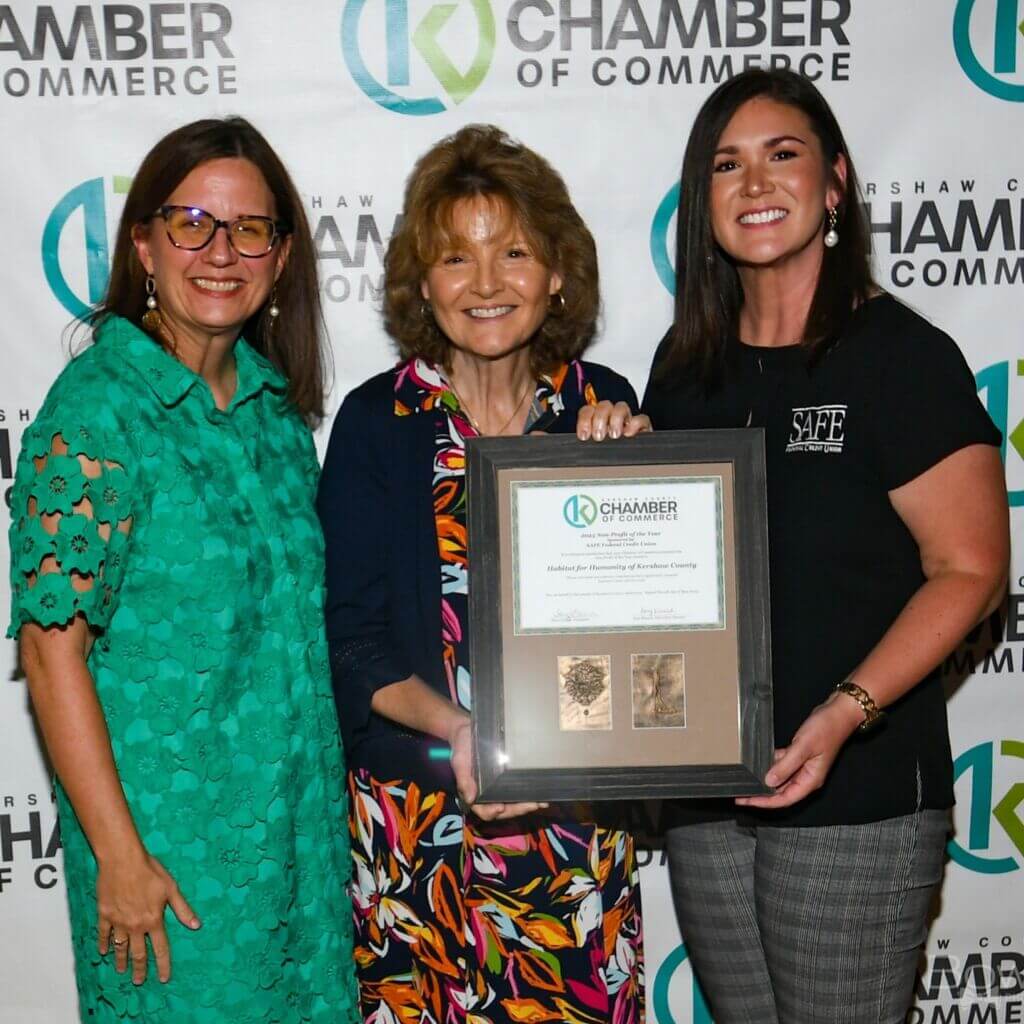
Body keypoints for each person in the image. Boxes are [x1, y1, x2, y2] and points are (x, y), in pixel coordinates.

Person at [642, 69, 1008, 1024]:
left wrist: (846, 713)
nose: (755, 183)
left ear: (836, 182)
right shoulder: (683, 372)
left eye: (783, 154)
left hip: (856, 795)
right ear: (701, 198)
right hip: (706, 798)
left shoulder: (901, 358)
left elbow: (971, 568)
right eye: (727, 164)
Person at [7, 117, 358, 1022]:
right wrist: (120, 860)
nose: (221, 251)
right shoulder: (97, 413)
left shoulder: (278, 419)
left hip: (298, 865)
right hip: (170, 870)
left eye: (250, 229)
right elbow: (53, 658)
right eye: (192, 222)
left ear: (280, 260)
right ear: (143, 244)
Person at [318, 123, 647, 1024]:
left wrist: (644, 477)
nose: (489, 283)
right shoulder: (375, 422)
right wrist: (466, 732)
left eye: (514, 252)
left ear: (556, 274)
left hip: (571, 834)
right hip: (418, 834)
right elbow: (349, 641)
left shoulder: (605, 408)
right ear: (423, 283)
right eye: (456, 258)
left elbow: (654, 630)